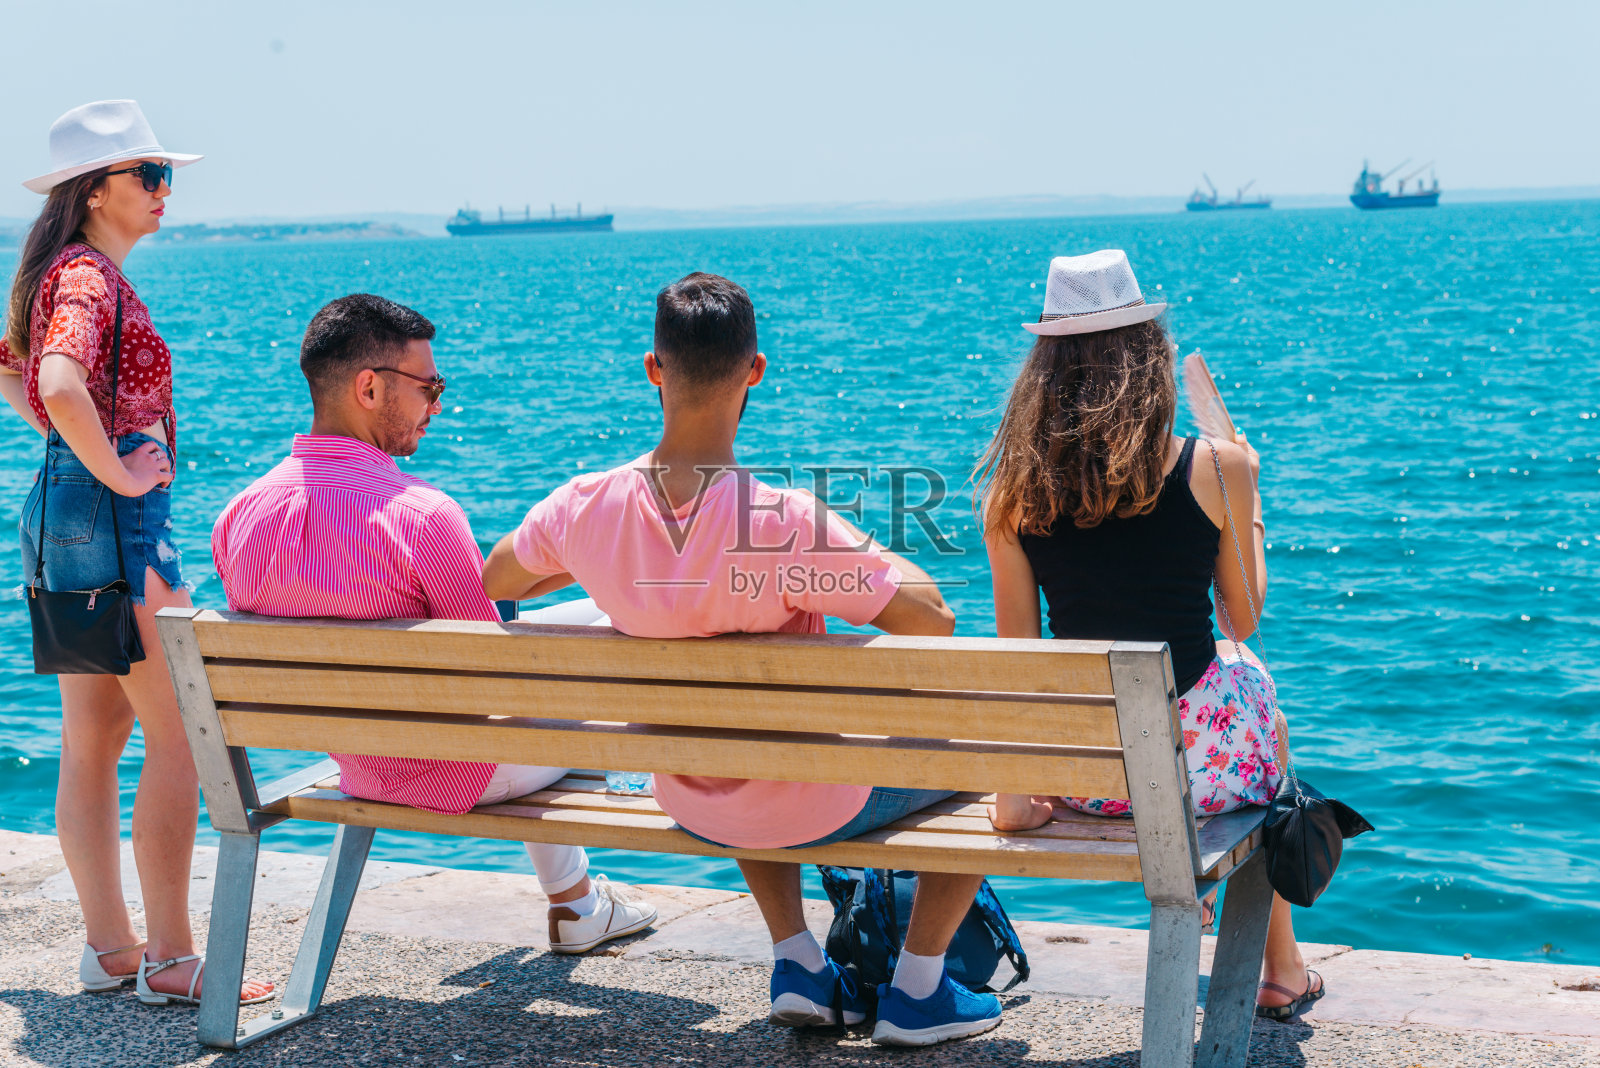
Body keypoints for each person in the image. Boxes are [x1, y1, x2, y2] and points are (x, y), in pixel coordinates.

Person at [482, 272, 1004, 1047]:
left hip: (690, 794)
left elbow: (498, 578)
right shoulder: (785, 524)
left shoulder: (583, 506)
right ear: (754, 369)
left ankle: (798, 962)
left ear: (653, 368)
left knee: (743, 752)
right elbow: (932, 618)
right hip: (809, 801)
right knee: (994, 747)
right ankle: (919, 988)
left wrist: (587, 562)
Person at [211, 293, 656, 954]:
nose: (437, 403)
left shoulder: (238, 517)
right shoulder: (421, 514)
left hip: (357, 762)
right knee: (623, 618)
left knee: (586, 612)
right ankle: (579, 903)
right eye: (429, 386)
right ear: (368, 387)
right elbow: (499, 686)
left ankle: (579, 905)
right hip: (462, 775)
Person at [975, 250, 1325, 1021]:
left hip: (1092, 781)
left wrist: (1016, 798)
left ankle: (1269, 953)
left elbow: (1021, 665)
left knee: (1232, 692)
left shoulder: (1011, 493)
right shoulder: (1217, 466)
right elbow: (1244, 616)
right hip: (1197, 775)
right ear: (1148, 359)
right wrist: (1251, 503)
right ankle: (1282, 968)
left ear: (1046, 370)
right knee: (1262, 705)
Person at [0, 100, 274, 1007]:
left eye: (165, 175)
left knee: (93, 743)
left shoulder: (55, 272)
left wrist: (75, 451)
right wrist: (120, 473)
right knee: (181, 742)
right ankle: (169, 959)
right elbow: (55, 379)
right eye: (148, 176)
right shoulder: (89, 281)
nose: (165, 191)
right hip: (119, 526)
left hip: (58, 522)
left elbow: (13, 369)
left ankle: (110, 947)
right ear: (93, 192)